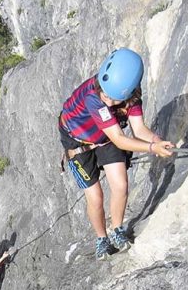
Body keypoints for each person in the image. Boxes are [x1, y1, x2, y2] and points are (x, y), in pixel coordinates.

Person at [59, 48, 175, 260]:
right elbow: (120, 139)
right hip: (78, 142)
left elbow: (139, 130)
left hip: (107, 137)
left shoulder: (130, 96)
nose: (109, 102)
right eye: (107, 96)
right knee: (95, 197)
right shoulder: (95, 97)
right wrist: (151, 149)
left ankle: (117, 228)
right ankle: (102, 238)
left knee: (120, 185)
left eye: (114, 99)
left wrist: (157, 141)